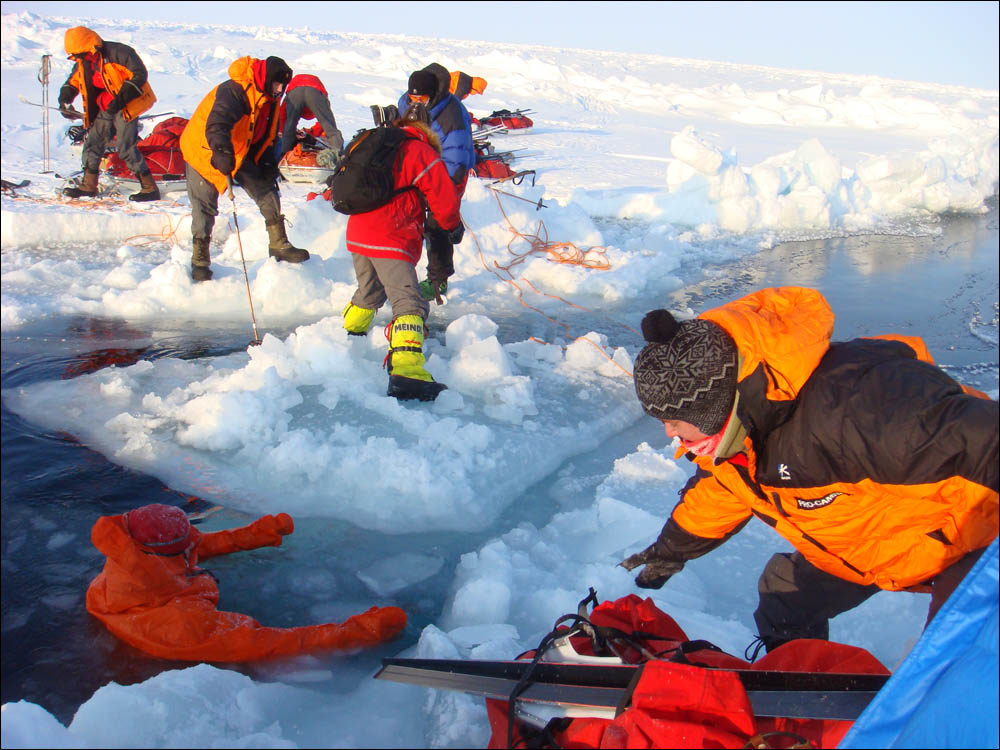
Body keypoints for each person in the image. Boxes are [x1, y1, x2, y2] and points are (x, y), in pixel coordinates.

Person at [620, 286, 998, 654]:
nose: (668, 432)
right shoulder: (739, 441)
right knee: (783, 597)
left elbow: (985, 443)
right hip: (875, 544)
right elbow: (717, 496)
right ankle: (805, 694)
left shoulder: (861, 409)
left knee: (951, 657)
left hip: (970, 539)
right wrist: (670, 551)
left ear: (716, 406)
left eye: (675, 419)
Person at [86, 503, 407, 661]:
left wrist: (257, 535)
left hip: (164, 596)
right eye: (185, 545)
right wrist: (358, 632)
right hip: (168, 653)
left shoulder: (132, 559)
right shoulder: (181, 623)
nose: (193, 546)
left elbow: (196, 547)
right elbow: (270, 642)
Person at [341, 109, 462, 402]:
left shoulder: (375, 144)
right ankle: (408, 372)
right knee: (410, 302)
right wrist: (452, 227)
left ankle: (347, 339)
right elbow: (444, 201)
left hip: (359, 233)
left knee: (369, 292)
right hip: (391, 235)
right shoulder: (419, 151)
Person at [179, 56, 308, 283]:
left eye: (282, 86)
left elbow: (265, 133)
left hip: (239, 149)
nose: (279, 90)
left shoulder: (269, 98)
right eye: (276, 84)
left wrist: (267, 161)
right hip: (204, 149)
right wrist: (221, 152)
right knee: (205, 205)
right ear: (265, 79)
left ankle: (279, 243)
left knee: (266, 188)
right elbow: (218, 124)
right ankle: (200, 260)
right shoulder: (234, 91)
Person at [397, 63, 475, 302]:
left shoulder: (451, 114)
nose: (416, 102)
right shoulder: (405, 103)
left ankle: (438, 280)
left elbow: (456, 155)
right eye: (413, 96)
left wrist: (445, 193)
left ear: (433, 95)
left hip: (448, 173)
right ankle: (397, 272)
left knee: (437, 224)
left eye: (421, 97)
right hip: (419, 169)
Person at [58, 26, 160, 202]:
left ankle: (150, 189)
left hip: (127, 105)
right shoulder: (84, 62)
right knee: (92, 143)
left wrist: (119, 101)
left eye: (80, 55)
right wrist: (65, 99)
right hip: (105, 108)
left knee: (125, 147)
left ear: (89, 47)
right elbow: (73, 82)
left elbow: (139, 75)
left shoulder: (119, 53)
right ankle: (89, 186)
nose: (79, 59)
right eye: (76, 56)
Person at [276, 73, 344, 164]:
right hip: (315, 91)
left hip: (294, 91)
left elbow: (283, 114)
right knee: (330, 128)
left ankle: (284, 160)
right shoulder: (319, 93)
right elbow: (324, 122)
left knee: (289, 126)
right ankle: (339, 157)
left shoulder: (293, 91)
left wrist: (281, 130)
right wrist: (312, 132)